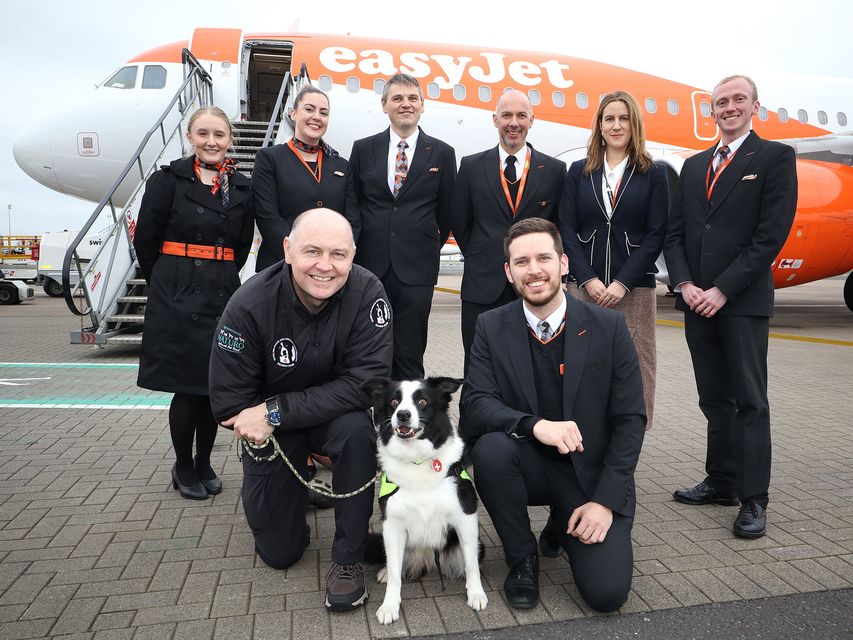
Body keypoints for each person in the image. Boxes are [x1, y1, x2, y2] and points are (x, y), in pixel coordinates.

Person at [208, 208, 392, 611]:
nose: (325, 266)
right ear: (288, 249)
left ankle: (347, 559)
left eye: (338, 254)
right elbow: (229, 405)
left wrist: (276, 409)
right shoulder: (249, 304)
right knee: (279, 553)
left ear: (353, 255)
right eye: (312, 251)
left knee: (359, 435)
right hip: (276, 432)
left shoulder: (368, 293)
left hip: (323, 419)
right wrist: (271, 418)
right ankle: (298, 488)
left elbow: (366, 385)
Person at [460, 218, 646, 613]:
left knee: (606, 595)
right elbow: (475, 404)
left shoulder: (609, 326)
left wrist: (604, 502)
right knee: (491, 449)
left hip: (589, 475)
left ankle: (566, 521)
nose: (534, 270)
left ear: (563, 263)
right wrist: (534, 425)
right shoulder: (491, 326)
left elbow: (631, 419)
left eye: (543, 258)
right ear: (509, 272)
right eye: (522, 262)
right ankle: (522, 558)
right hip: (527, 463)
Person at [664, 75, 798, 539]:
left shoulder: (775, 158)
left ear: (754, 106)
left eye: (738, 100)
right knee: (712, 399)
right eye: (721, 102)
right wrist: (683, 284)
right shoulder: (694, 165)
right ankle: (721, 480)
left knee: (749, 403)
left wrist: (721, 289)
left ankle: (754, 498)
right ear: (711, 111)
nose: (728, 108)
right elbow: (676, 234)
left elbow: (770, 237)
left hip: (740, 304)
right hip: (696, 303)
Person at [134, 106, 254, 500]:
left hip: (221, 293)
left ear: (229, 140)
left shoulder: (240, 187)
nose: (212, 142)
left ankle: (205, 461)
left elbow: (239, 247)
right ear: (190, 137)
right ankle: (183, 464)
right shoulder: (168, 181)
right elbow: (146, 241)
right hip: (177, 291)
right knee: (187, 387)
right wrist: (168, 282)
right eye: (203, 133)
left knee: (212, 386)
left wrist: (217, 274)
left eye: (219, 135)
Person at [559, 90, 668, 430]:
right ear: (600, 126)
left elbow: (656, 234)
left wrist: (622, 282)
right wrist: (587, 278)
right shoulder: (579, 172)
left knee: (636, 365)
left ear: (634, 124)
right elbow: (566, 228)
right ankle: (582, 436)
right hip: (584, 288)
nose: (616, 125)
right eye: (609, 119)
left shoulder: (653, 173)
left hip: (633, 290)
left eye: (623, 118)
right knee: (582, 364)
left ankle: (630, 437)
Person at [350, 73, 456, 379]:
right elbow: (353, 205)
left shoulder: (442, 153)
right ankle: (371, 419)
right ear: (384, 105)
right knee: (368, 347)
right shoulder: (363, 149)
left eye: (412, 98)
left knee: (410, 352)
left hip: (416, 269)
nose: (405, 104)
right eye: (397, 98)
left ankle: (407, 421)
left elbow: (447, 211)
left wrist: (425, 241)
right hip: (370, 265)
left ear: (423, 105)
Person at [452, 89, 566, 373]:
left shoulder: (554, 170)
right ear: (495, 120)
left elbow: (558, 228)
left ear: (532, 120)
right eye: (506, 115)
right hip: (483, 286)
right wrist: (485, 255)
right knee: (478, 365)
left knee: (534, 365)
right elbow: (461, 223)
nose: (513, 123)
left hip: (534, 286)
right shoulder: (471, 166)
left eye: (521, 116)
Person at [252, 86, 360, 272]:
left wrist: (337, 256)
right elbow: (267, 216)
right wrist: (299, 256)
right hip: (282, 263)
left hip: (328, 269)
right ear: (293, 114)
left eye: (323, 113)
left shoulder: (341, 165)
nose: (317, 117)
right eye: (309, 109)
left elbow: (352, 220)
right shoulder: (270, 159)